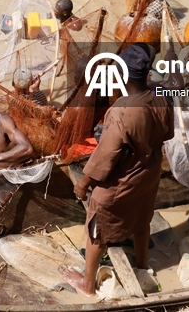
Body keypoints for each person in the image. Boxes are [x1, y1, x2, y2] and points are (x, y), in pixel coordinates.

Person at [64, 44, 175, 296]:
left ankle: (87, 284)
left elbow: (105, 157)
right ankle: (141, 266)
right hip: (149, 172)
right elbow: (167, 132)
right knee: (141, 219)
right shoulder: (160, 94)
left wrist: (83, 185)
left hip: (123, 181)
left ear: (122, 74)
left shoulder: (122, 110)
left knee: (97, 229)